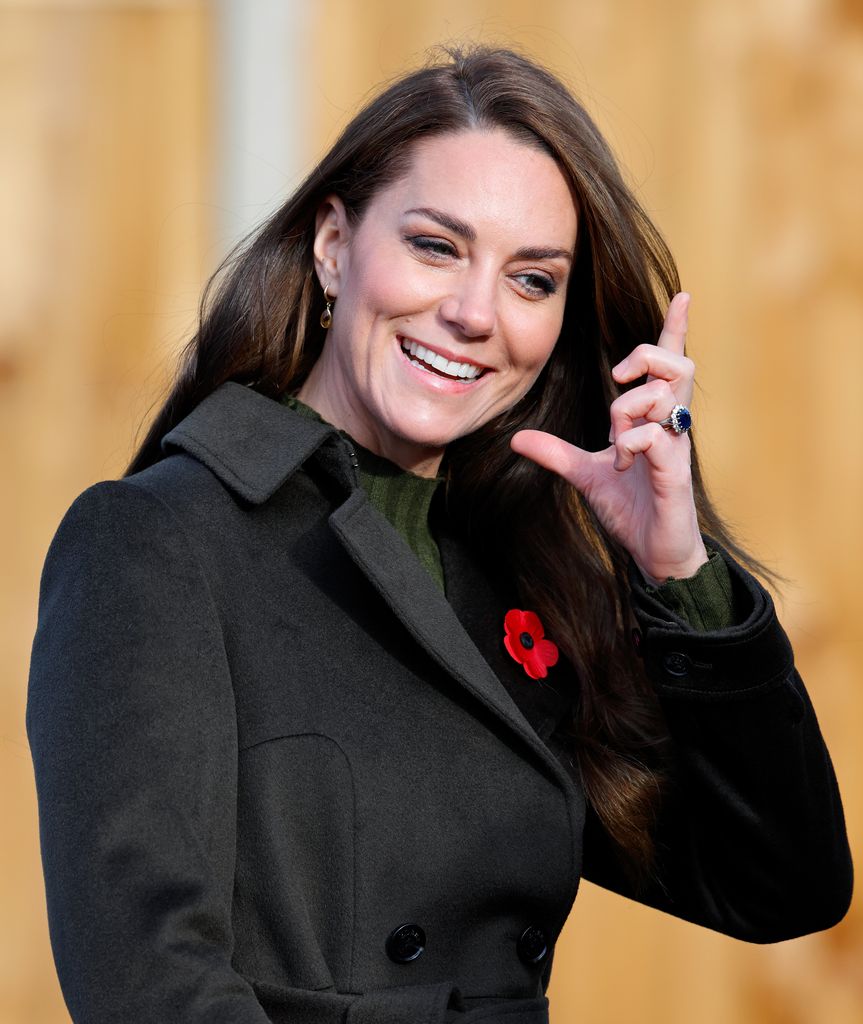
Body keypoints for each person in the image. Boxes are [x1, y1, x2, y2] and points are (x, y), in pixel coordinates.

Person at [26, 45, 852, 1024]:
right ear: (335, 243)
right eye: (435, 245)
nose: (472, 313)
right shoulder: (155, 543)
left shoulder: (514, 578)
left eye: (531, 279)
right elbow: (151, 987)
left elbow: (778, 882)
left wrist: (678, 569)